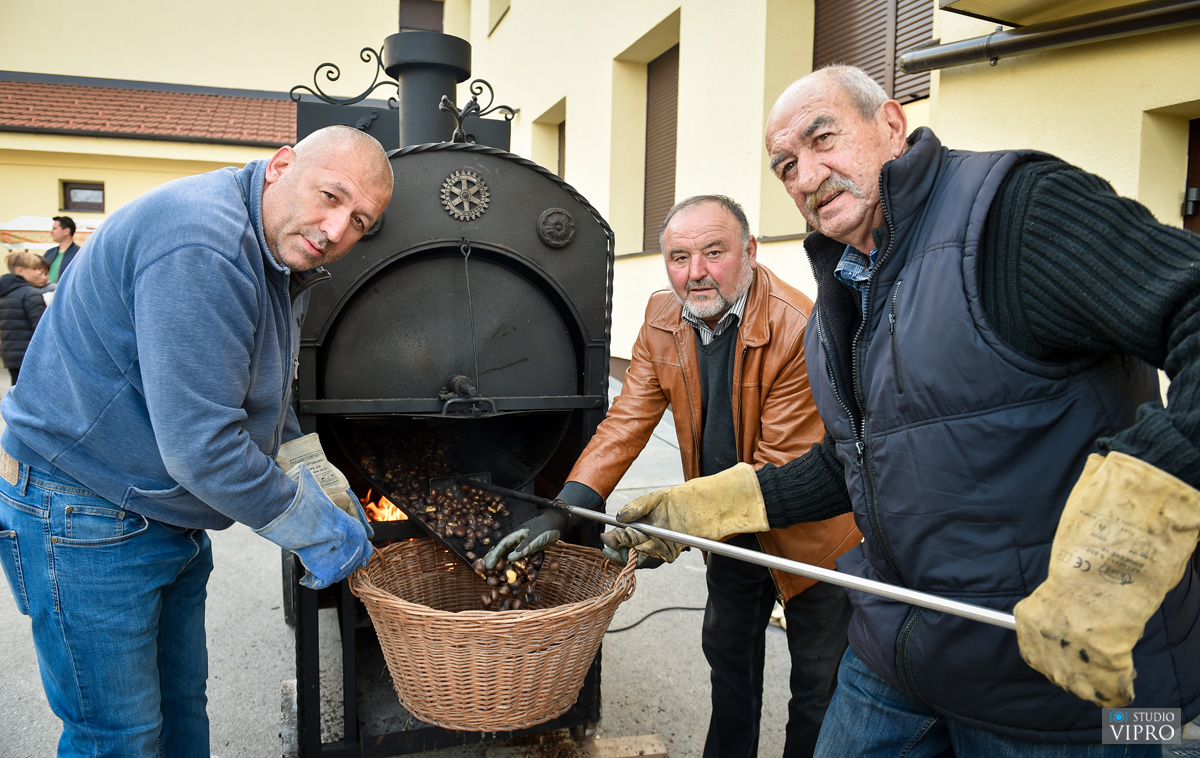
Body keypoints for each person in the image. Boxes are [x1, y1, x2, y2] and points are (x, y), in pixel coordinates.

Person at [603, 64, 1200, 755]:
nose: (806, 173)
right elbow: (864, 458)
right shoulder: (843, 287)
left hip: (1065, 684)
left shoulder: (1016, 211)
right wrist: (706, 507)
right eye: (786, 165)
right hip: (896, 655)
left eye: (823, 137)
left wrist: (1137, 526)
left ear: (891, 122)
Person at [0, 125, 393, 757]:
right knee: (118, 738)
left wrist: (308, 465)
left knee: (182, 713)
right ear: (281, 165)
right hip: (83, 510)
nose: (335, 227)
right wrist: (322, 533)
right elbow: (203, 447)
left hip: (159, 510)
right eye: (330, 195)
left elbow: (252, 388)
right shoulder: (204, 245)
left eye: (359, 220)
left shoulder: (273, 251)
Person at [486, 195, 861, 757]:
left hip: (809, 538)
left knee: (817, 682)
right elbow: (626, 421)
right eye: (679, 257)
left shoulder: (797, 325)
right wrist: (565, 506)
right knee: (729, 662)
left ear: (751, 252)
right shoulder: (663, 318)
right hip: (726, 533)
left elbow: (779, 469)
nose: (696, 273)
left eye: (715, 252)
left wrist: (672, 526)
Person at [0, 250, 50, 384]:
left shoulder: (5, 293)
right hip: (29, 355)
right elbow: (41, 327)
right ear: (20, 270)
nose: (39, 273)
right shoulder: (30, 293)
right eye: (35, 269)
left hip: (10, 354)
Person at [44, 215, 80, 284]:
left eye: (54, 228)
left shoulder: (78, 254)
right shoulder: (49, 253)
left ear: (66, 231)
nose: (51, 231)